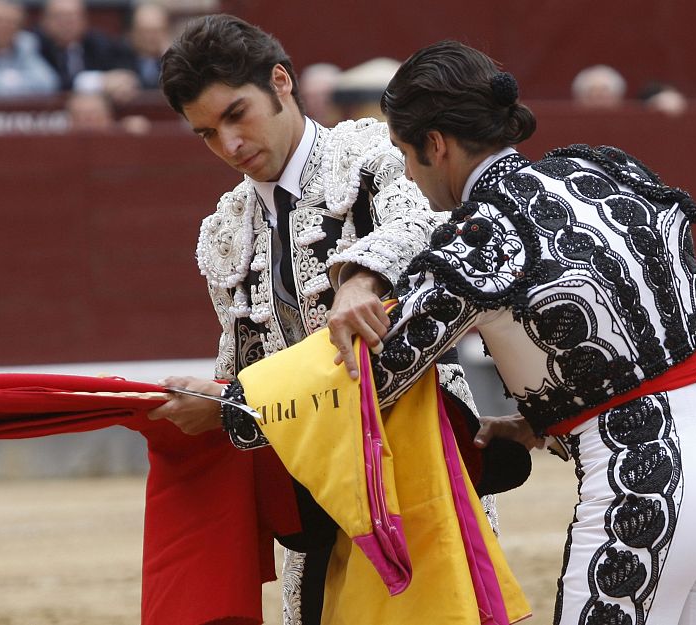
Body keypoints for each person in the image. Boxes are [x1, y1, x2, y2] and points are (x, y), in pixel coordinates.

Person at [221, 39, 696, 624]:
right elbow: (647, 342)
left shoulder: (481, 240)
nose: (408, 174)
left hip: (643, 477)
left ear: (437, 146)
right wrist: (540, 418)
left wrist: (233, 408)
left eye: (404, 152)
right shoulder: (600, 170)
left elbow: (369, 371)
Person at [149, 15, 503, 625]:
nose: (230, 145)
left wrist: (362, 275)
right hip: (313, 481)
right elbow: (246, 372)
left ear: (280, 82)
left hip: (417, 453)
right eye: (207, 133)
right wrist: (218, 401)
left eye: (238, 114)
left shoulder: (370, 153)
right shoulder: (224, 232)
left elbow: (429, 225)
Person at [34, 0, 139, 103]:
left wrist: (122, 82)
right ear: (44, 21)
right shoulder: (34, 46)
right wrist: (97, 82)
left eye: (72, 17)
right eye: (60, 17)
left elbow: (124, 69)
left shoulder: (99, 44)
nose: (66, 24)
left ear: (84, 20)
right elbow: (50, 84)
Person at [123, 1, 171, 90]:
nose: (151, 38)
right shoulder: (118, 59)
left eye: (157, 31)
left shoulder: (174, 63)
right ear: (132, 33)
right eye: (145, 32)